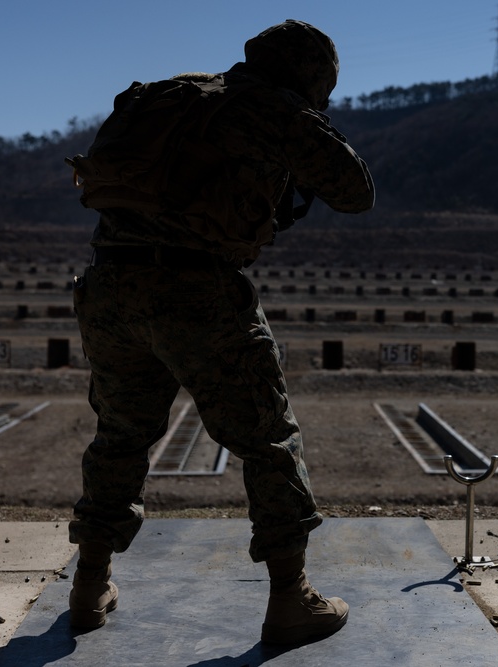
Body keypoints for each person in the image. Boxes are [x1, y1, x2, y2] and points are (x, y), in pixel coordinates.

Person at [67, 19, 375, 645]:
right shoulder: (270, 105)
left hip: (109, 285)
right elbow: (354, 191)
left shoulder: (169, 93)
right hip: (195, 289)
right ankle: (291, 601)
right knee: (267, 438)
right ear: (310, 76)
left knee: (121, 434)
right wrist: (303, 128)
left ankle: (88, 585)